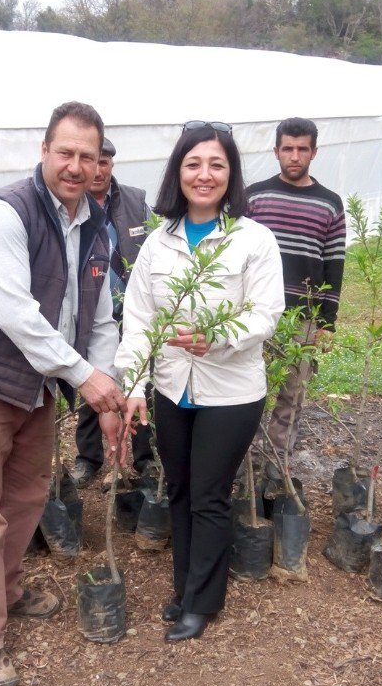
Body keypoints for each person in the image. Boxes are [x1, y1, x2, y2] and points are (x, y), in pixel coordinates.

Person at [0, 102, 127, 686]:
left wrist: (107, 380)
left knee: (24, 500)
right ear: (44, 151)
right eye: (64, 152)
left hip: (38, 389)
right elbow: (16, 312)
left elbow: (100, 318)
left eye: (86, 156)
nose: (74, 165)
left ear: (100, 164)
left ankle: (8, 592)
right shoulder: (4, 215)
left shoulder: (96, 226)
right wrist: (82, 377)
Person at [115, 121, 284, 642]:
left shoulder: (252, 239)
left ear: (230, 174)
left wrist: (220, 337)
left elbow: (266, 313)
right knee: (182, 489)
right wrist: (132, 384)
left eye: (216, 164)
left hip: (230, 391)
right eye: (193, 164)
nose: (204, 174)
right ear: (178, 172)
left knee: (209, 494)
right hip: (171, 386)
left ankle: (202, 602)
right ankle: (183, 587)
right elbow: (140, 317)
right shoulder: (157, 242)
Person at [246, 117, 346, 456]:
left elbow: (334, 265)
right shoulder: (255, 196)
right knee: (246, 387)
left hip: (303, 316)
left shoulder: (329, 203)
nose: (294, 156)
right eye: (287, 148)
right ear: (276, 151)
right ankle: (240, 460)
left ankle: (275, 465)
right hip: (254, 312)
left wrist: (327, 322)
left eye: (302, 149)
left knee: (292, 393)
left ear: (314, 152)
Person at [71, 136, 154, 488]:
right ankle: (88, 458)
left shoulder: (135, 200)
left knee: (139, 381)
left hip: (133, 311)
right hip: (90, 310)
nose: (99, 170)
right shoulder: (72, 203)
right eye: (95, 161)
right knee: (93, 381)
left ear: (111, 166)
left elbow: (154, 245)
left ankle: (144, 456)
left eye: (105, 162)